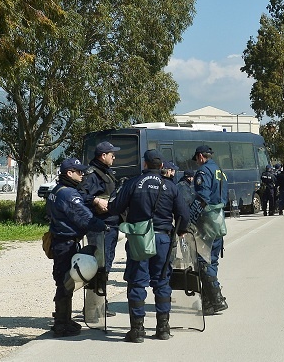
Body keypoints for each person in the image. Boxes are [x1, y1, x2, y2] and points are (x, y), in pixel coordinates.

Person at [110, 149, 190, 342]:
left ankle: (137, 330)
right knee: (162, 282)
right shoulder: (170, 186)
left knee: (137, 282)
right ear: (162, 166)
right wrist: (180, 231)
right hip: (163, 239)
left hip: (139, 239)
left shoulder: (132, 183)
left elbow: (115, 208)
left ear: (144, 164)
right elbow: (184, 215)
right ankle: (163, 327)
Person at [46, 158, 109, 338]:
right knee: (66, 283)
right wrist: (104, 226)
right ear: (69, 173)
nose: (82, 174)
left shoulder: (56, 190)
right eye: (78, 171)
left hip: (59, 240)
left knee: (63, 281)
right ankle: (61, 325)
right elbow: (85, 218)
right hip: (67, 243)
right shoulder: (70, 195)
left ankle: (63, 319)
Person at [78, 141, 121, 307]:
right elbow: (79, 197)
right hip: (100, 227)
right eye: (112, 154)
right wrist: (95, 200)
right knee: (98, 265)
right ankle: (94, 305)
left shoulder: (106, 172)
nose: (114, 157)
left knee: (106, 264)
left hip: (110, 225)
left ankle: (99, 302)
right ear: (103, 156)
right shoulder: (91, 174)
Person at [193, 144, 229, 314]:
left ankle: (216, 299)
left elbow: (202, 197)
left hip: (206, 221)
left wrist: (190, 219)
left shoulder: (203, 172)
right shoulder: (219, 171)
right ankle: (208, 302)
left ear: (201, 156)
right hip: (218, 220)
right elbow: (225, 197)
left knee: (203, 260)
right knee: (212, 260)